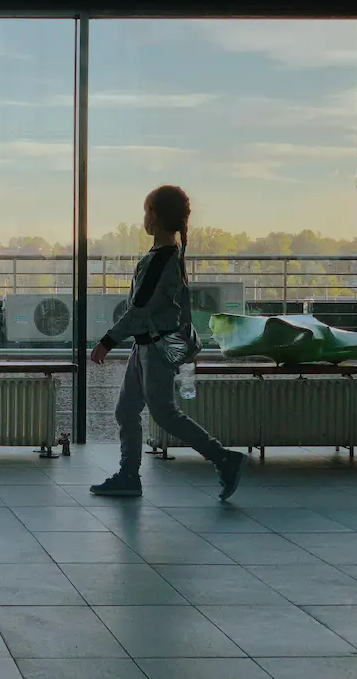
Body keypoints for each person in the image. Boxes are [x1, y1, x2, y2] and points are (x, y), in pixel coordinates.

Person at [89, 185, 246, 500]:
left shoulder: (162, 260)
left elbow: (139, 310)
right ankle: (129, 475)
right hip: (146, 347)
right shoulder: (163, 256)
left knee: (164, 413)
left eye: (146, 211)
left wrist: (107, 341)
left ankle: (224, 458)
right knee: (127, 410)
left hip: (155, 351)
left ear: (156, 217)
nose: (143, 218)